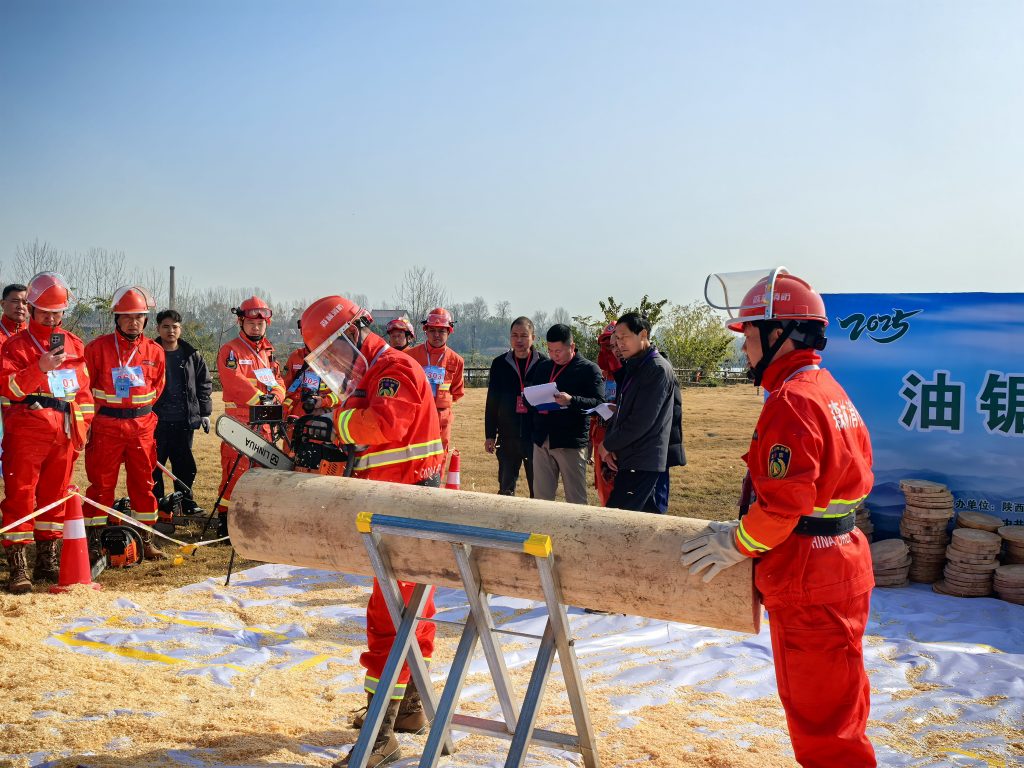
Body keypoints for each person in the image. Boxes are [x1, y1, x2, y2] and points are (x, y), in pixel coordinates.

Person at [681, 268, 876, 768]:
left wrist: (736, 544)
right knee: (841, 704)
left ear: (778, 335)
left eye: (748, 335)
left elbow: (783, 507)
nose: (743, 348)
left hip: (810, 574)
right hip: (840, 562)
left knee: (821, 722)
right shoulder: (825, 389)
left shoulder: (790, 402)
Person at [301, 295, 444, 768]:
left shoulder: (394, 369)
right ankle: (409, 708)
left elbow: (381, 425)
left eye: (337, 353)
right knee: (413, 613)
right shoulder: (368, 376)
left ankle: (381, 736)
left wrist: (336, 426)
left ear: (357, 332)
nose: (336, 365)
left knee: (389, 619)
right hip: (394, 507)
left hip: (406, 509)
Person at [0, 273, 93, 593]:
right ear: (33, 308)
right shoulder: (15, 345)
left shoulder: (74, 344)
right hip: (26, 431)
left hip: (65, 432)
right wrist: (38, 368)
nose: (52, 318)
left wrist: (82, 427)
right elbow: (9, 388)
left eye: (57, 312)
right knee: (21, 495)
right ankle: (18, 566)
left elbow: (83, 393)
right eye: (45, 312)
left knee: (55, 496)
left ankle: (47, 561)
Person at [84, 285, 167, 561]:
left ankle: (146, 539)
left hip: (141, 426)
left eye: (139, 316)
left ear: (145, 319)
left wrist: (139, 411)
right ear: (116, 318)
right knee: (101, 485)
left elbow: (158, 387)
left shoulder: (155, 351)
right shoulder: (97, 349)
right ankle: (94, 542)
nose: (134, 322)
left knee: (144, 484)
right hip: (106, 425)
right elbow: (86, 388)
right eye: (127, 316)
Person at [215, 296, 286, 531]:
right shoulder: (231, 350)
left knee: (261, 472)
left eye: (260, 324)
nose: (256, 327)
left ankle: (254, 516)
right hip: (240, 420)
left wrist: (276, 395)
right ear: (241, 322)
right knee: (236, 470)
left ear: (267, 324)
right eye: (251, 323)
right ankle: (227, 519)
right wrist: (260, 398)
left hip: (264, 423)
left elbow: (278, 380)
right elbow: (233, 380)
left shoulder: (268, 352)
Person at [598, 312, 676, 513]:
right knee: (640, 522)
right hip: (632, 457)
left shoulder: (656, 369)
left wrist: (608, 444)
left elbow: (641, 421)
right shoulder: (637, 365)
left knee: (619, 521)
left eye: (624, 337)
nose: (619, 343)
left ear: (643, 334)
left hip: (643, 459)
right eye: (617, 338)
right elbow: (624, 411)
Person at [526, 324, 603, 504]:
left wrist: (572, 400)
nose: (554, 355)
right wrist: (533, 402)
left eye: (559, 351)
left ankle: (577, 532)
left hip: (570, 443)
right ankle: (542, 532)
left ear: (572, 346)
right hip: (542, 440)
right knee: (541, 499)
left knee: (576, 499)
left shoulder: (589, 370)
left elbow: (598, 403)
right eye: (551, 350)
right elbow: (532, 397)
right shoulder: (544, 367)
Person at [150, 309, 213, 514]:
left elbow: (204, 384)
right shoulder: (149, 352)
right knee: (154, 465)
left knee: (185, 465)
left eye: (175, 327)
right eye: (166, 326)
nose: (170, 331)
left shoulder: (191, 354)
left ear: (180, 329)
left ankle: (186, 503)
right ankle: (156, 504)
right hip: (155, 421)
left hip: (183, 421)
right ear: (158, 328)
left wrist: (204, 413)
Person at [484, 317, 546, 496]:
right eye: (514, 335)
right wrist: (490, 435)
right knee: (505, 489)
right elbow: (492, 401)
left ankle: (537, 524)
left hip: (535, 438)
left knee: (539, 490)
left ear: (533, 337)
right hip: (507, 437)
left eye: (524, 336)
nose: (519, 340)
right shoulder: (499, 364)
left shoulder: (544, 363)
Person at [405, 307, 463, 452]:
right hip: (417, 416)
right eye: (432, 330)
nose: (436, 335)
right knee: (414, 456)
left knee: (439, 457)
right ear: (426, 331)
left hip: (442, 420)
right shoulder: (411, 356)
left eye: (441, 331)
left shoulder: (456, 360)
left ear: (449, 332)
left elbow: (457, 392)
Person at [590, 322, 621, 505]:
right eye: (607, 346)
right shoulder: (602, 375)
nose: (611, 351)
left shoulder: (631, 376)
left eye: (614, 345)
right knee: (604, 485)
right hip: (600, 436)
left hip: (620, 437)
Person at [0, 283, 28, 349]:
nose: (20, 306)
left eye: (25, 303)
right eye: (15, 301)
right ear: (3, 304)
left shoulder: (34, 334)